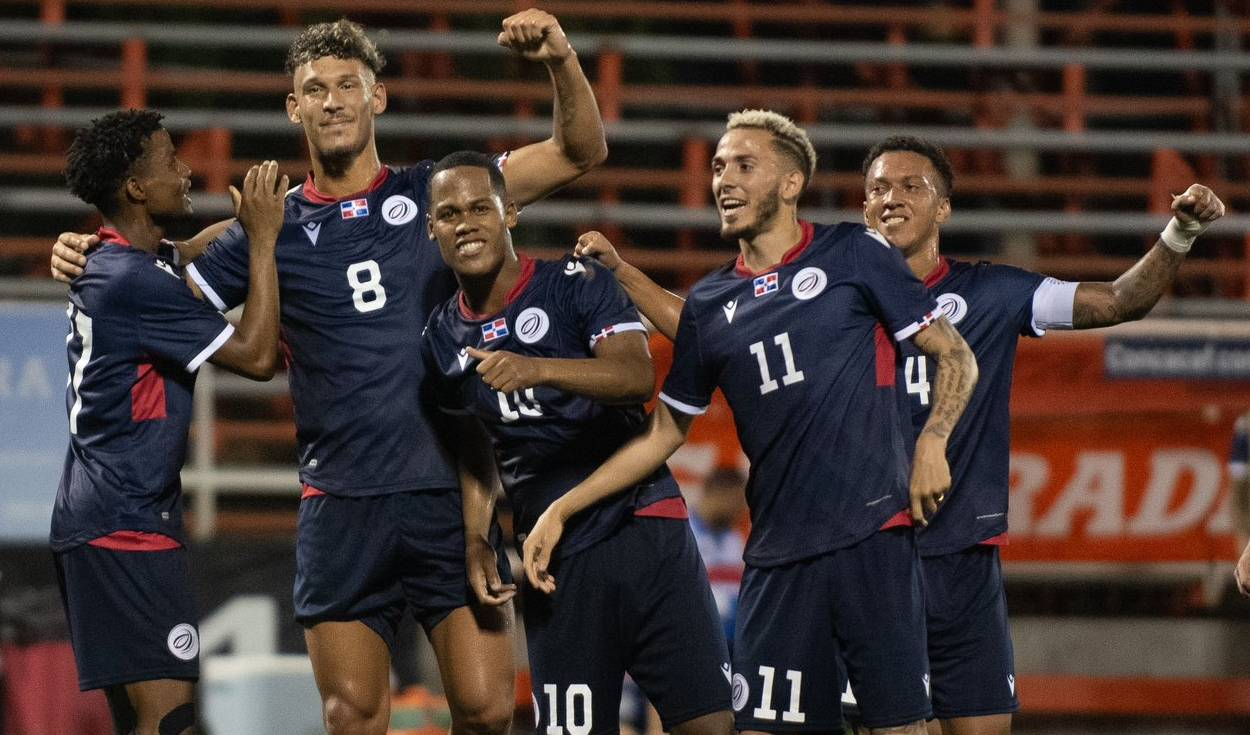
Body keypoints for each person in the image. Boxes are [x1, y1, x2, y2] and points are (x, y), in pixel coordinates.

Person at [51, 12, 607, 735]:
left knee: (488, 710)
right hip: (341, 506)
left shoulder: (443, 195)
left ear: (377, 99)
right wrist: (85, 248)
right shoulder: (267, 230)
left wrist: (561, 59)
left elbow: (578, 151)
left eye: (350, 84)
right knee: (351, 717)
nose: (334, 100)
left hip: (448, 495)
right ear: (295, 108)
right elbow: (153, 270)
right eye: (316, 88)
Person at [583, 132, 1226, 735]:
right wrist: (627, 277)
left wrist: (1179, 232)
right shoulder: (834, 289)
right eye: (877, 188)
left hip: (959, 562)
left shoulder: (995, 293)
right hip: (866, 552)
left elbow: (1117, 301)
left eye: (911, 186)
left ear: (944, 206)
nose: (890, 197)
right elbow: (723, 329)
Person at [535, 109, 980, 735]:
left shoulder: (855, 252)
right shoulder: (712, 305)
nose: (724, 179)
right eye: (718, 167)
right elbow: (664, 433)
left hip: (871, 539)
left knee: (901, 729)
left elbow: (954, 353)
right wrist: (562, 508)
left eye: (744, 165)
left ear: (791, 183)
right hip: (776, 560)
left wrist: (933, 441)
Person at [421, 152, 733, 735]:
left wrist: (538, 369)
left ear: (509, 212)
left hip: (644, 527)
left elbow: (636, 377)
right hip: (554, 557)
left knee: (709, 726)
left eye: (479, 207)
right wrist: (474, 538)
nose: (465, 223)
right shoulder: (440, 337)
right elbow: (473, 446)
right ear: (431, 228)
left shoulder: (577, 282)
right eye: (448, 213)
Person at [54, 109, 286, 735]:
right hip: (126, 525)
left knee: (142, 724)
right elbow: (260, 357)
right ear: (134, 187)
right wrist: (262, 240)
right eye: (170, 162)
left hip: (102, 519)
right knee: (173, 722)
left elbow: (186, 253)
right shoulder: (134, 281)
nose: (186, 171)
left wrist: (247, 224)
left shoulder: (121, 261)